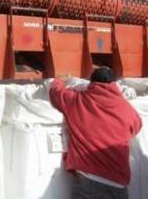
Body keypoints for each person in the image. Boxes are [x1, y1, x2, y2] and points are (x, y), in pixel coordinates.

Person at [49, 67, 142, 199]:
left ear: (91, 83)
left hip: (88, 179)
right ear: (114, 83)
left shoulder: (77, 101)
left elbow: (56, 93)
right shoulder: (126, 108)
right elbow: (137, 126)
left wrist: (59, 80)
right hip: (118, 183)